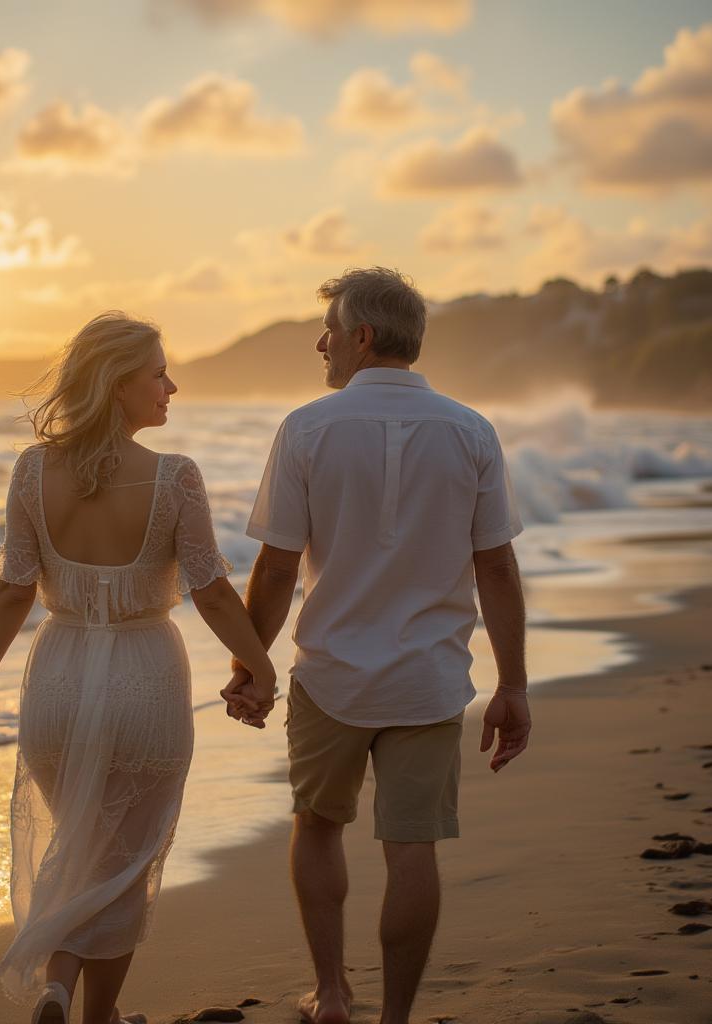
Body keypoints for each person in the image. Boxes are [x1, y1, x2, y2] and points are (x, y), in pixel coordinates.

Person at [222, 267, 531, 1024]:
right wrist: (512, 685)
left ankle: (330, 993)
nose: (319, 343)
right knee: (413, 845)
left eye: (329, 328)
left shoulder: (306, 428)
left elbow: (277, 565)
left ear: (361, 337)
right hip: (428, 680)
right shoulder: (471, 430)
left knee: (318, 825)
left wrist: (252, 666)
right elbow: (495, 564)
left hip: (329, 674)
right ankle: (395, 1017)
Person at [0, 311, 277, 1024]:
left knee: (83, 844)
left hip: (59, 679)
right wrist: (260, 665)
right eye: (158, 374)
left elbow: (14, 588)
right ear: (117, 385)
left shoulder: (32, 470)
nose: (173, 386)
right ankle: (84, 1008)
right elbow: (213, 592)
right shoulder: (174, 477)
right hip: (145, 681)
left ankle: (56, 989)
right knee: (123, 863)